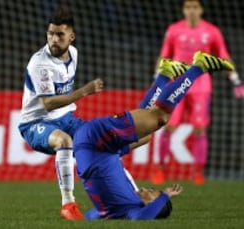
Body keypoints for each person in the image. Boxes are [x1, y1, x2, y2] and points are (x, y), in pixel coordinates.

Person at [74, 52, 234, 220]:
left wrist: (165, 195)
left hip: (95, 141)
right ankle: (166, 74)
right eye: (152, 191)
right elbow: (89, 216)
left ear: (152, 206)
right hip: (98, 150)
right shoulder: (114, 210)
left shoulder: (130, 210)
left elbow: (145, 216)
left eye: (151, 194)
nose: (147, 189)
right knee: (148, 135)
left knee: (160, 117)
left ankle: (200, 66)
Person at [18, 6, 103, 220]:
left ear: (71, 37)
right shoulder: (39, 63)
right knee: (64, 141)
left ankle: (119, 197)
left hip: (66, 118)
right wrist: (84, 91)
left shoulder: (73, 54)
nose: (53, 39)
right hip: (35, 122)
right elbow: (48, 103)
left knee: (102, 141)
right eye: (50, 34)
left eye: (59, 34)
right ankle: (68, 205)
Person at [152, 0, 244, 185]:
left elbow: (223, 56)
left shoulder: (211, 31)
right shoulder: (174, 30)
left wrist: (236, 81)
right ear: (184, 10)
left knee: (199, 128)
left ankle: (198, 172)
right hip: (176, 82)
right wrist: (157, 80)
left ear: (201, 10)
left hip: (200, 84)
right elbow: (165, 55)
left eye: (195, 7)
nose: (191, 11)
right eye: (188, 7)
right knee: (167, 124)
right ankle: (160, 169)